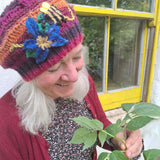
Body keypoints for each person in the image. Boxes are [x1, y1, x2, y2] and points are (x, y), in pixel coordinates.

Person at [0, 0, 143, 159]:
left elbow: (100, 124)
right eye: (54, 68)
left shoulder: (83, 80)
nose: (74, 76)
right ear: (29, 76)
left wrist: (118, 138)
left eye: (76, 57)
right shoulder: (4, 122)